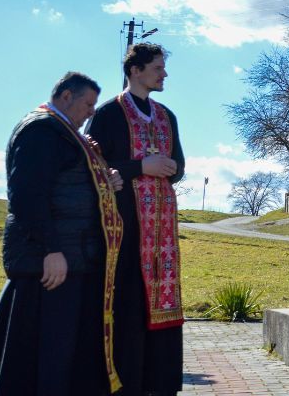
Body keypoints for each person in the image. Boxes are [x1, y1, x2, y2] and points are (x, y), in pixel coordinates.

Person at [0, 72, 124, 395]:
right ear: (66, 96)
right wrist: (50, 251)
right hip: (50, 265)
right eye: (88, 104)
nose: (92, 112)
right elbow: (27, 195)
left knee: (60, 359)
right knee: (41, 359)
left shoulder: (65, 134)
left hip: (70, 260)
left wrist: (105, 185)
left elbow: (68, 188)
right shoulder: (41, 131)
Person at [88, 44, 185, 396]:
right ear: (135, 71)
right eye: (157, 68)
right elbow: (95, 169)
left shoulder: (167, 116)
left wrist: (169, 168)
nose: (164, 74)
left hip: (162, 230)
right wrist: (141, 167)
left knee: (162, 299)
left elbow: (179, 165)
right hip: (125, 230)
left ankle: (161, 384)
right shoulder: (108, 114)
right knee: (129, 302)